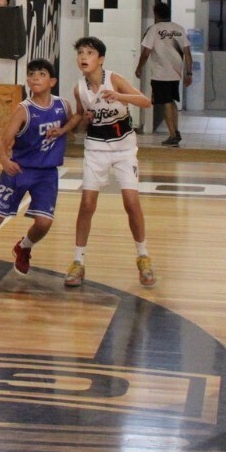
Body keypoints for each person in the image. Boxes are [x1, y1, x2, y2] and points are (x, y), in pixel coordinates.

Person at [0, 58, 75, 283]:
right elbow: (1, 141)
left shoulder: (63, 105)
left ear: (52, 81)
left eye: (41, 74)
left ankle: (24, 247)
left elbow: (73, 126)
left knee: (44, 223)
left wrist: (65, 129)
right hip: (20, 170)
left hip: (47, 173)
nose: (35, 77)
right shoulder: (23, 110)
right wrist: (5, 161)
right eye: (32, 74)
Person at [65, 36, 156, 289]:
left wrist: (118, 95)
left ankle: (143, 256)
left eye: (89, 53)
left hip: (124, 147)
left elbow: (146, 102)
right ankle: (78, 261)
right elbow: (83, 122)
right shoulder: (79, 89)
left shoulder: (113, 79)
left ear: (100, 59)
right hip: (95, 148)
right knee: (87, 203)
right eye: (81, 52)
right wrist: (84, 120)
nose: (84, 57)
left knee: (131, 201)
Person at [135, 3, 192, 147]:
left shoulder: (154, 30)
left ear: (156, 14)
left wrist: (139, 67)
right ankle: (176, 131)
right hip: (176, 73)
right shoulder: (179, 29)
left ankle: (172, 135)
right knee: (172, 101)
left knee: (166, 102)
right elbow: (188, 54)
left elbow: (146, 52)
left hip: (160, 74)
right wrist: (189, 73)